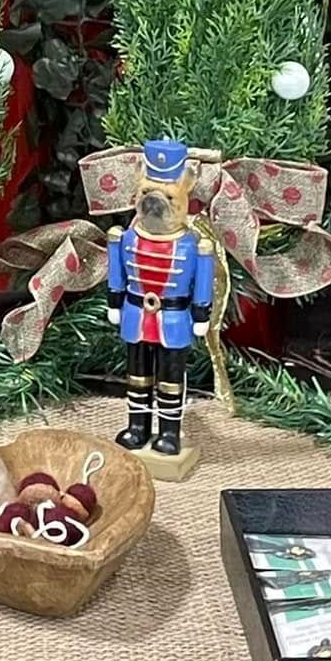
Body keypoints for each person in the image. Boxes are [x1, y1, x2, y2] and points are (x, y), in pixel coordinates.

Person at [107, 137, 215, 458]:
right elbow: (118, 272)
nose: (155, 201)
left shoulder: (193, 245)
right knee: (137, 375)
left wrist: (201, 314)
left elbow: (203, 281)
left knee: (170, 380)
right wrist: (115, 302)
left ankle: (169, 433)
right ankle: (137, 427)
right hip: (136, 314)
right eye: (146, 193)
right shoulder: (126, 238)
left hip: (174, 318)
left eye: (168, 196)